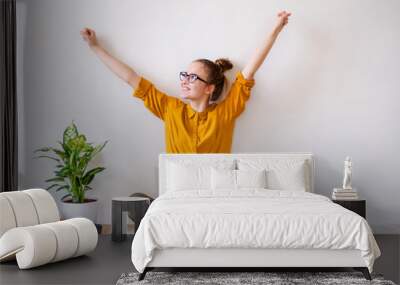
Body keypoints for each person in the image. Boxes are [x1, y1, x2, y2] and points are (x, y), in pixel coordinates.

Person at [80, 11, 291, 153]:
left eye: (193, 77)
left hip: (216, 196)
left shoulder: (225, 112)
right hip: (178, 196)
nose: (184, 81)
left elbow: (249, 71)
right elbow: (130, 78)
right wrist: (96, 47)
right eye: (184, 75)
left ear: (209, 88)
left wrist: (276, 29)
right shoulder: (170, 109)